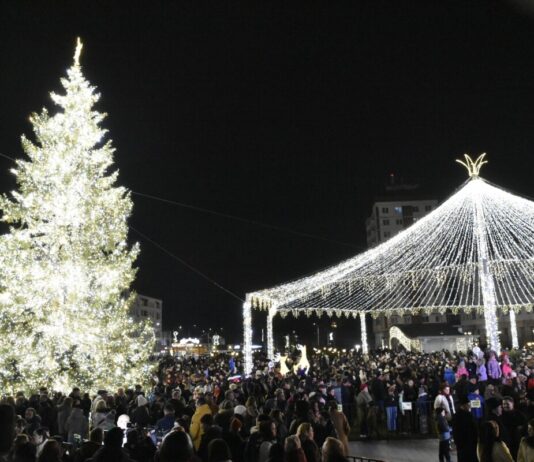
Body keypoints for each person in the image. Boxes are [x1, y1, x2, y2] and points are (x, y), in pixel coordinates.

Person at [452, 397, 478, 462]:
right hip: (469, 445)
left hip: (461, 446)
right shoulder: (468, 416)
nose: (469, 406)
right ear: (464, 405)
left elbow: (455, 432)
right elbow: (474, 430)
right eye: (468, 405)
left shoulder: (456, 416)